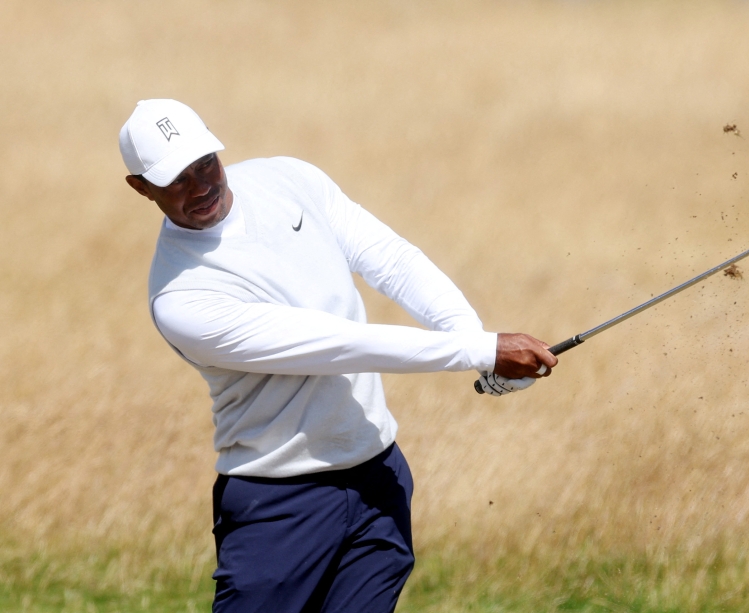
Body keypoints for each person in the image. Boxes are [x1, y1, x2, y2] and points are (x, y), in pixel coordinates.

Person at [119, 99, 557, 613]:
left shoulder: (286, 178)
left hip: (379, 478)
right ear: (141, 188)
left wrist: (468, 335)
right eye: (177, 179)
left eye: (206, 164)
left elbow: (389, 259)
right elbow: (337, 344)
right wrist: (481, 349)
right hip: (278, 508)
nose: (202, 186)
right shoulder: (181, 299)